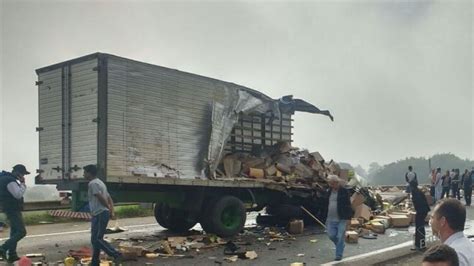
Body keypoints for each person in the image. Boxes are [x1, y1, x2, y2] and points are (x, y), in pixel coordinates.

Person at [83, 164, 122, 266]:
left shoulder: (92, 183)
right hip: (99, 213)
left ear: (89, 173)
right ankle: (95, 261)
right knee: (95, 238)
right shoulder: (101, 183)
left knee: (97, 239)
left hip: (100, 213)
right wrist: (111, 211)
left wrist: (108, 209)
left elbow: (100, 197)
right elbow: (109, 198)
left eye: (85, 173)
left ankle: (115, 254)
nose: (84, 175)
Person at [430, 199, 474, 266]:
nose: (430, 222)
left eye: (432, 218)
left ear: (442, 221)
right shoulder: (469, 246)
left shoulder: (451, 257)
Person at [0, 164, 30, 263]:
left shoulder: (4, 178)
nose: (23, 176)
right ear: (18, 173)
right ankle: (3, 248)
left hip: (8, 208)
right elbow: (17, 195)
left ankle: (12, 255)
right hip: (12, 209)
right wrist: (23, 184)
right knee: (21, 232)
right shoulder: (10, 181)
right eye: (22, 174)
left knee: (14, 231)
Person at [324, 175, 353, 261]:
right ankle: (340, 245)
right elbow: (324, 204)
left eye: (333, 184)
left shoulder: (344, 192)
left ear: (337, 183)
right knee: (331, 235)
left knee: (340, 236)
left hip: (341, 219)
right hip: (330, 219)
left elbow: (348, 205)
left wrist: (349, 218)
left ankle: (338, 255)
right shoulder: (328, 191)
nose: (332, 186)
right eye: (330, 184)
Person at [409, 180, 430, 251]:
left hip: (421, 211)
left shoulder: (414, 192)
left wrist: (416, 210)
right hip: (424, 210)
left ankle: (420, 245)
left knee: (419, 227)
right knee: (420, 226)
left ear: (412, 186)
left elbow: (417, 202)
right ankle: (419, 244)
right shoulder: (418, 191)